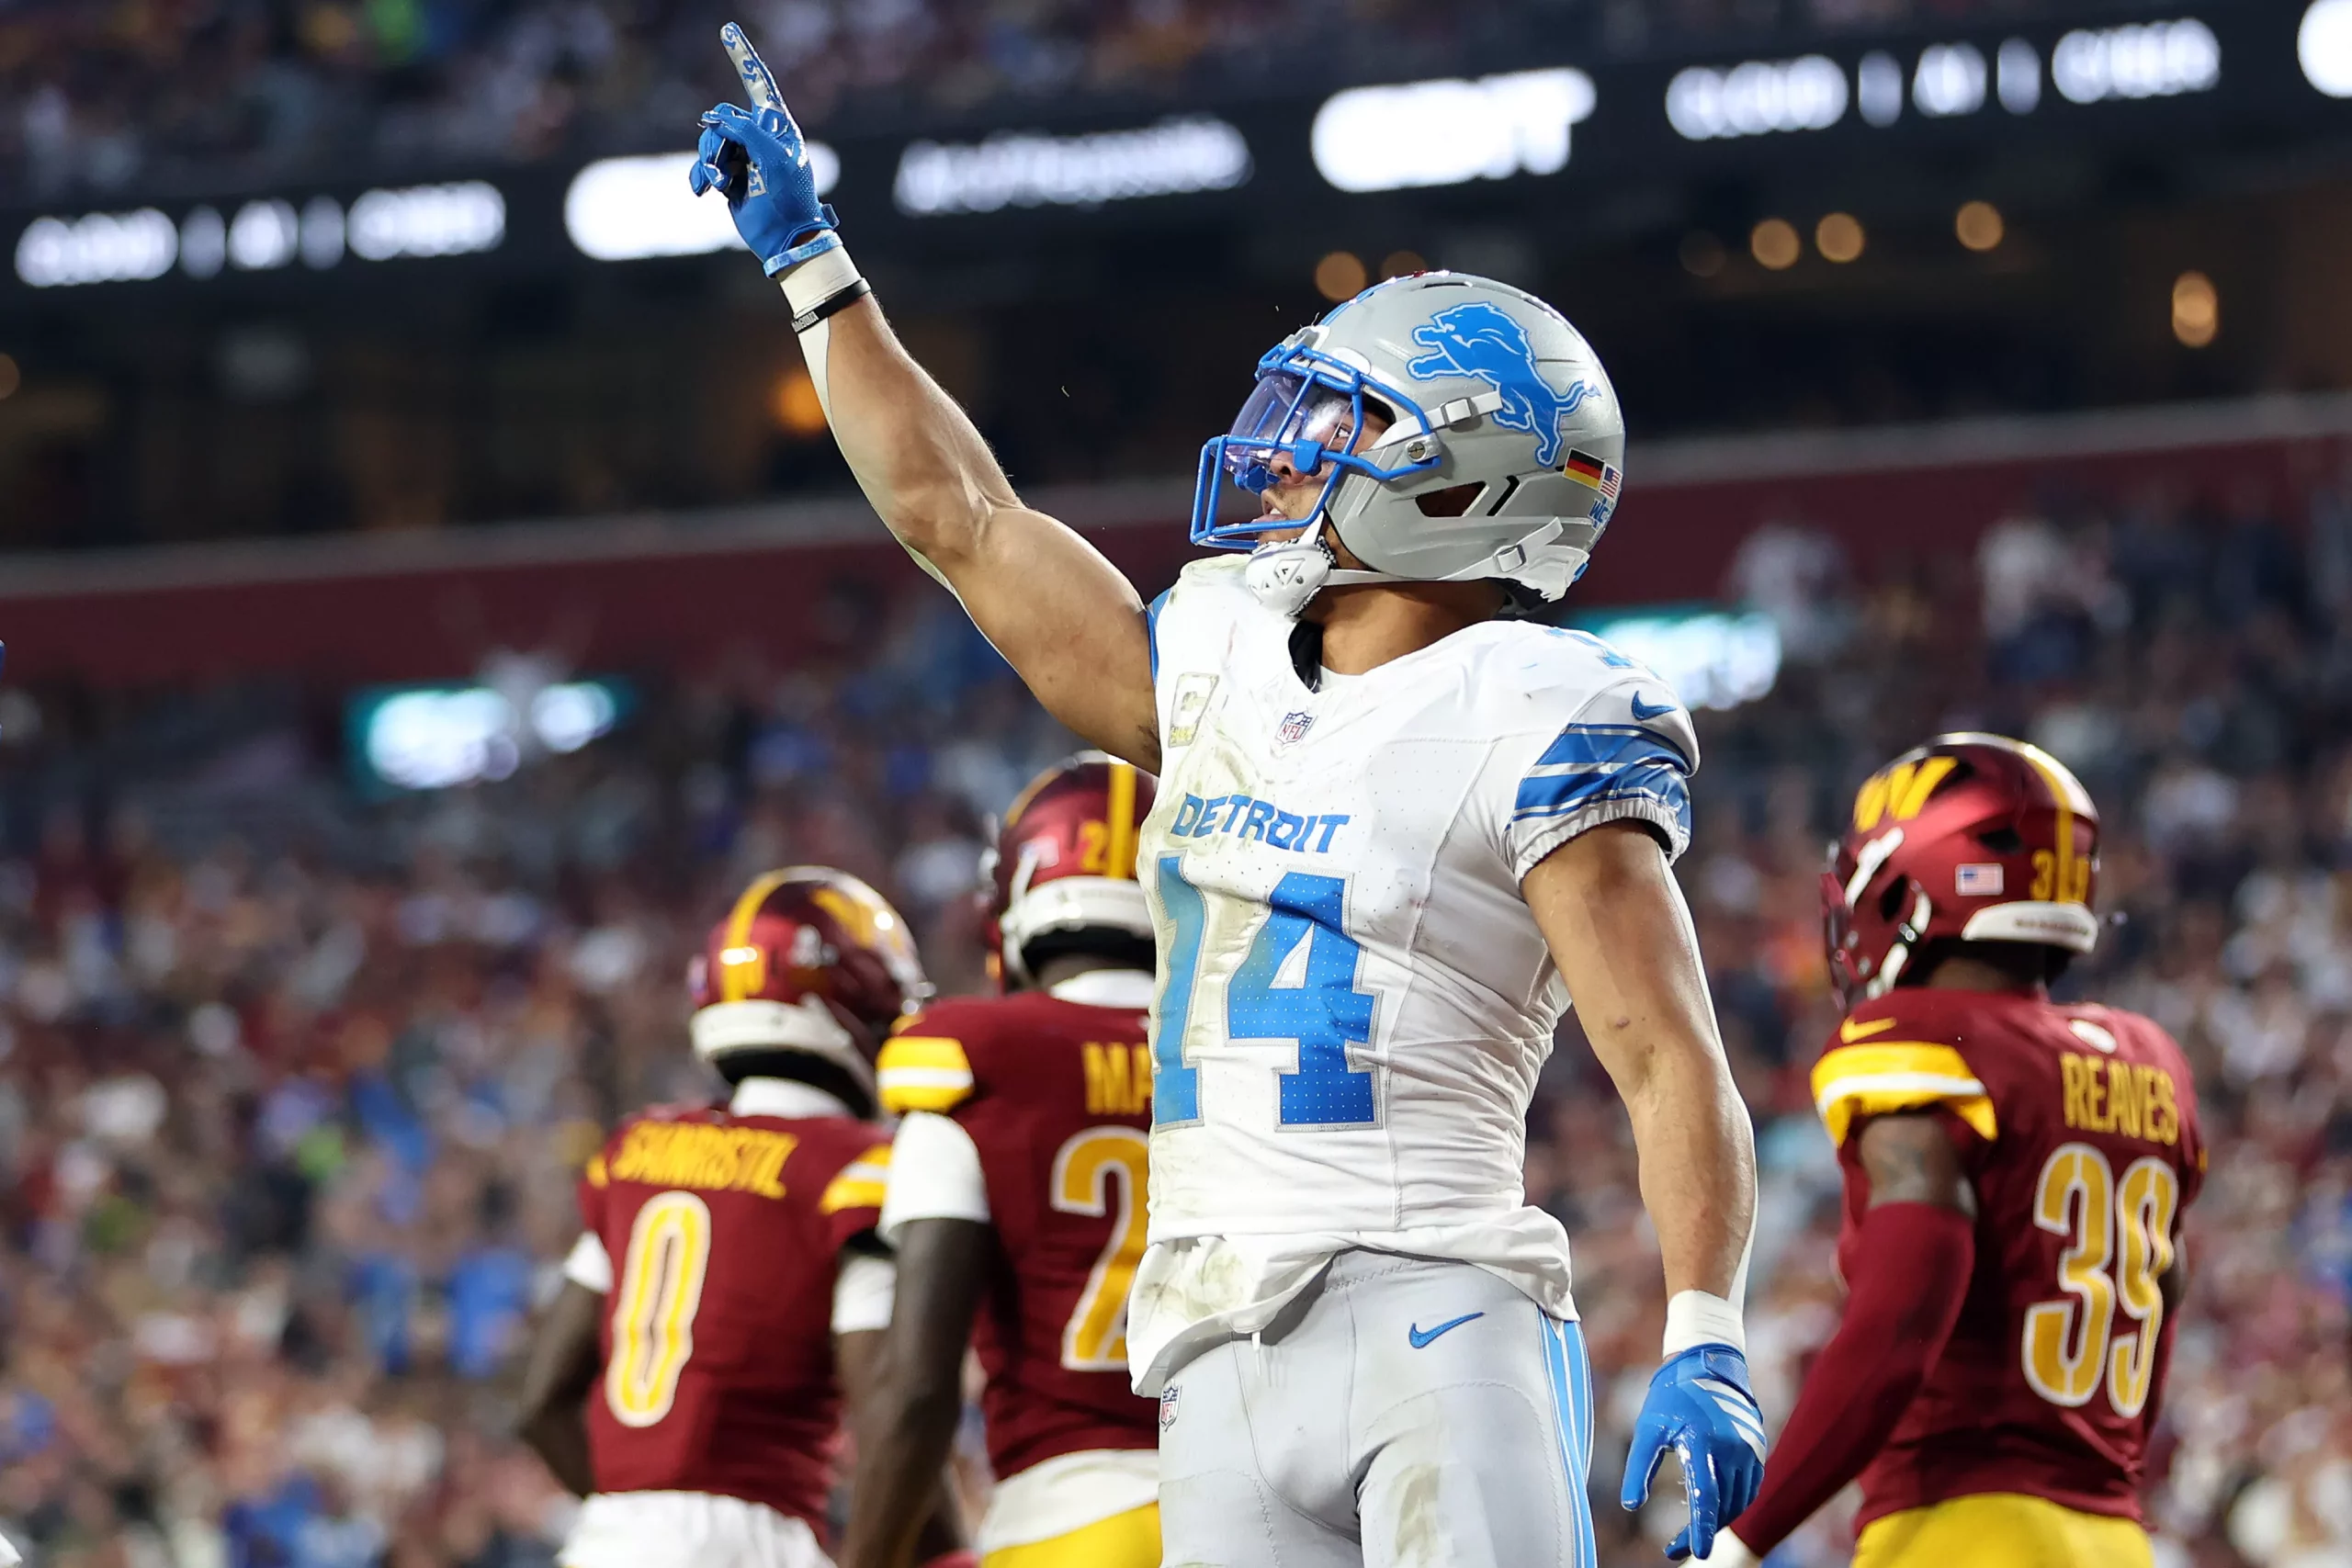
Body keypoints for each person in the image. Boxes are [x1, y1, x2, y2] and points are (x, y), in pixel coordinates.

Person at [689, 27, 1764, 1565]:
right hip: (1208, 1339)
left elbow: (1667, 1058)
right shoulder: (1215, 658)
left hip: (1436, 1309)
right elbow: (964, 521)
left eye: (1344, 428)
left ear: (1466, 482)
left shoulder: (1538, 708)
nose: (1287, 457)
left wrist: (1707, 1324)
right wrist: (815, 270)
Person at [1698, 736, 2205, 1568]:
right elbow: (2163, 1289)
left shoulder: (1923, 1042)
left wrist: (1744, 1540)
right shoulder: (2148, 1058)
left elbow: (1904, 1315)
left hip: (1961, 1531)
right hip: (2114, 1536)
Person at [516, 867, 967, 1568]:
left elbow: (541, 1402)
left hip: (603, 1541)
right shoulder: (851, 1165)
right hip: (752, 1539)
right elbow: (891, 1414)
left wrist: (638, 1516)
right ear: (850, 999)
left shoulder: (637, 1149)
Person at [844, 754, 1163, 1568]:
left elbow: (918, 1391)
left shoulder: (974, 1061)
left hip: (1073, 1519)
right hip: (1257, 1518)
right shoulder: (1240, 1053)